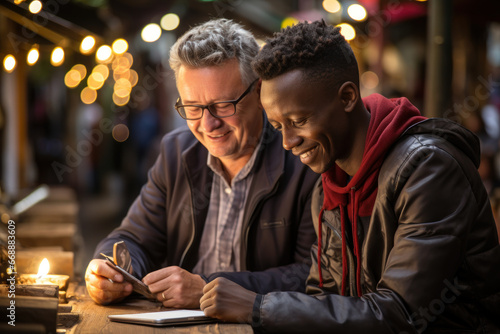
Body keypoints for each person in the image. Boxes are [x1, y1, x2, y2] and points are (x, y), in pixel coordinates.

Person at [201, 20, 500, 333]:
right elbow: (322, 297)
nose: (288, 142)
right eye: (278, 127)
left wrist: (258, 306)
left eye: (299, 120)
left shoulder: (429, 169)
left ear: (347, 97)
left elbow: (401, 314)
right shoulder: (329, 186)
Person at [85, 19, 318, 308]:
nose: (208, 124)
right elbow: (134, 238)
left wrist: (209, 288)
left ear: (259, 92)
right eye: (193, 108)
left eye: (223, 105)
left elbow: (311, 274)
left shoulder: (302, 160)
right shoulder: (176, 152)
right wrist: (109, 268)